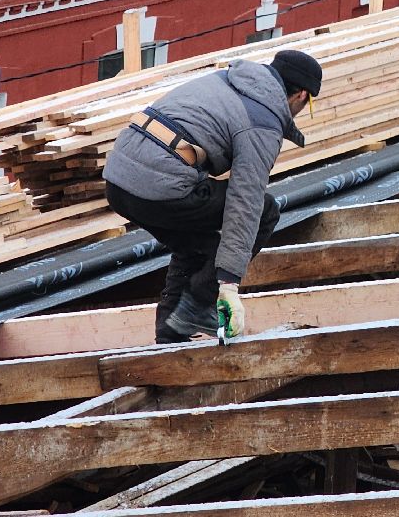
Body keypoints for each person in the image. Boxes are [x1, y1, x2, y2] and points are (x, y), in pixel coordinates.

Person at [103, 49, 322, 343]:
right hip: (160, 185)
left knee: (201, 245)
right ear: (300, 96)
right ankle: (197, 305)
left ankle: (171, 334)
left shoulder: (227, 82)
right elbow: (245, 203)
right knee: (265, 211)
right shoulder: (263, 122)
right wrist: (229, 284)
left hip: (118, 182)